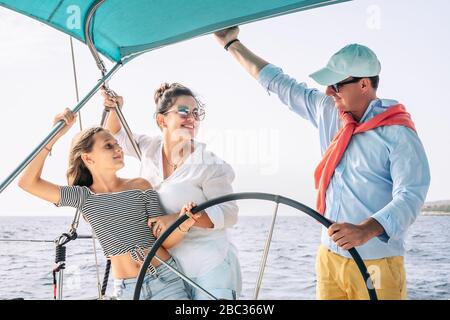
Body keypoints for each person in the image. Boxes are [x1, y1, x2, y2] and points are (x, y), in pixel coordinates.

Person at [214, 26, 430, 300]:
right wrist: (231, 43)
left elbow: (412, 194)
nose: (329, 91)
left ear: (364, 84)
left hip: (377, 265)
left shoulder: (398, 133)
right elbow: (279, 83)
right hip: (329, 258)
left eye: (337, 85)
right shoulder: (329, 110)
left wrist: (366, 230)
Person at [18, 108, 197, 300]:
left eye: (116, 144)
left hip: (166, 279)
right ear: (87, 158)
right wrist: (55, 135)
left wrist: (183, 224)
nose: (118, 149)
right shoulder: (83, 197)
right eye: (108, 146)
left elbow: (162, 239)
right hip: (127, 290)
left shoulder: (140, 185)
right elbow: (27, 183)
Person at [101, 83, 242, 300]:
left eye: (196, 113)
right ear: (162, 120)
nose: (192, 118)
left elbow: (229, 212)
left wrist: (183, 219)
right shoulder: (149, 148)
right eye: (184, 111)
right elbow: (116, 135)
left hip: (211, 268)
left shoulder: (211, 164)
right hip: (171, 272)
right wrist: (114, 109)